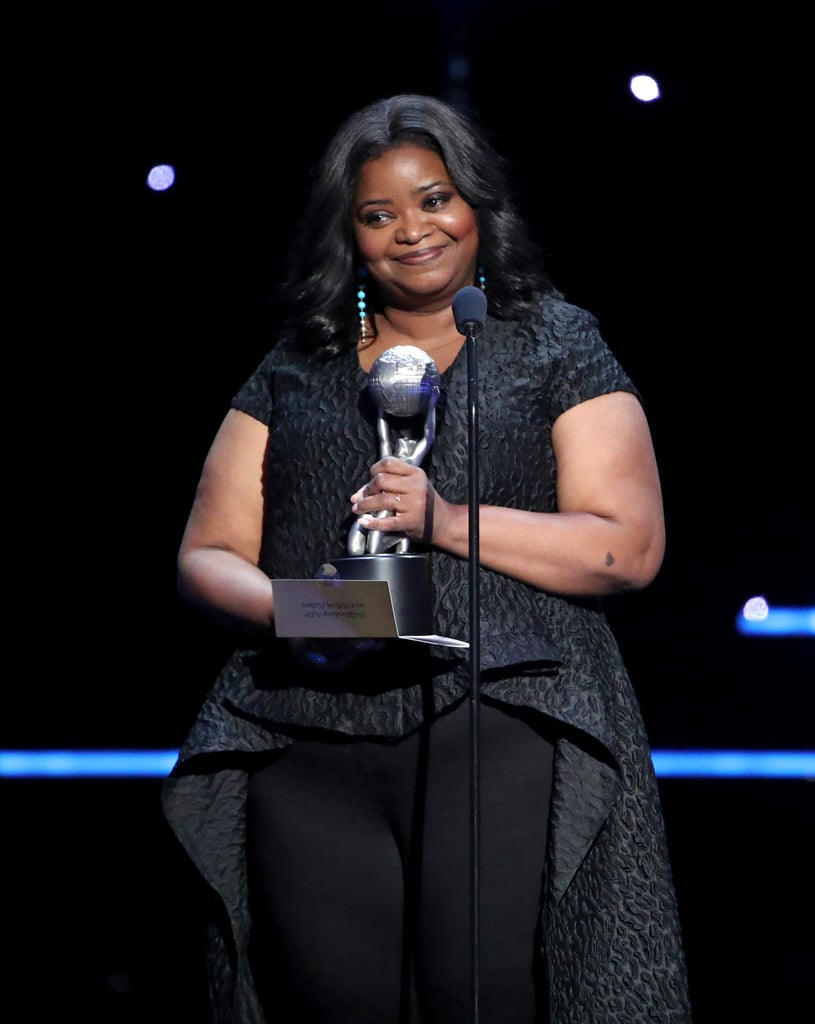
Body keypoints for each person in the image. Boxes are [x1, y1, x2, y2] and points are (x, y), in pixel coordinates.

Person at [161, 92, 693, 1023]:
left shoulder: (554, 343)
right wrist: (311, 612)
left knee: (476, 998)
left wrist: (446, 520)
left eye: (434, 199)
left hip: (496, 719)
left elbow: (627, 546)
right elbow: (206, 555)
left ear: (477, 206)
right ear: (350, 236)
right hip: (305, 734)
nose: (413, 230)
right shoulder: (299, 363)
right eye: (379, 215)